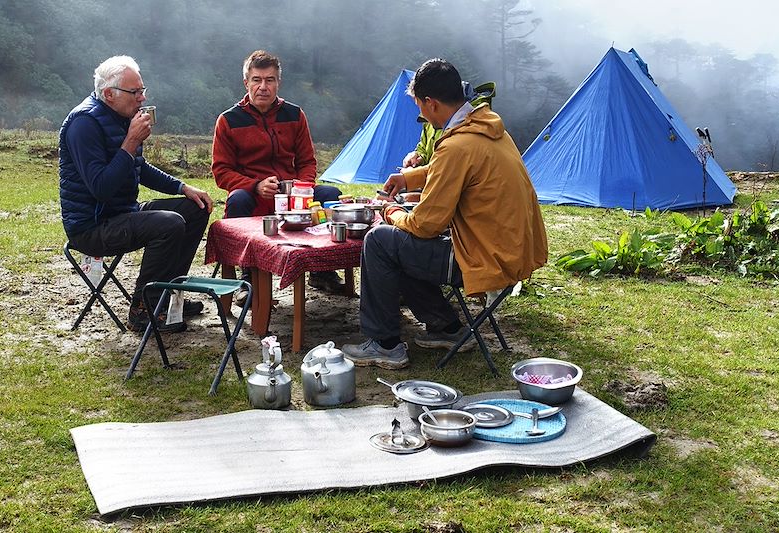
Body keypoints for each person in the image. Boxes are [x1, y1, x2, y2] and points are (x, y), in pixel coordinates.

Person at [341, 59, 547, 369]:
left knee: (380, 241)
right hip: (512, 251)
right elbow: (451, 170)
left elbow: (426, 225)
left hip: (485, 259)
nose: (420, 115)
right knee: (401, 244)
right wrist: (407, 178)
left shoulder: (457, 145)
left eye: (420, 107)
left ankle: (384, 344)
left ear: (432, 103)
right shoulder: (486, 127)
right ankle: (446, 327)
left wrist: (391, 210)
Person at [59, 56, 214, 333]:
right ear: (109, 94)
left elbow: (138, 167)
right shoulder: (84, 124)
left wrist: (183, 188)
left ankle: (169, 297)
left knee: (195, 208)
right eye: (135, 92)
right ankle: (144, 310)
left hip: (122, 214)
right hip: (92, 227)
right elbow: (101, 188)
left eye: (143, 90)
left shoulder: (120, 117)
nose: (142, 98)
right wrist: (131, 141)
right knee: (169, 223)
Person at [212, 50, 345, 302]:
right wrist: (255, 185)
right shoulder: (228, 120)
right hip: (254, 195)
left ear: (278, 83)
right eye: (257, 79)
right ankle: (246, 278)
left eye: (270, 80)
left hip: (294, 194)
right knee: (237, 199)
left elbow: (307, 161)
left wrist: (302, 186)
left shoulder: (294, 114)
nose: (263, 86)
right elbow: (221, 171)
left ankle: (323, 270)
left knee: (330, 194)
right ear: (246, 83)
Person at [401, 81, 496, 168]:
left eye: (419, 105)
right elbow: (424, 147)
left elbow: (448, 172)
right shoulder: (432, 119)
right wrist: (419, 156)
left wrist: (410, 178)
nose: (421, 111)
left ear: (431, 103)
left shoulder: (469, 127)